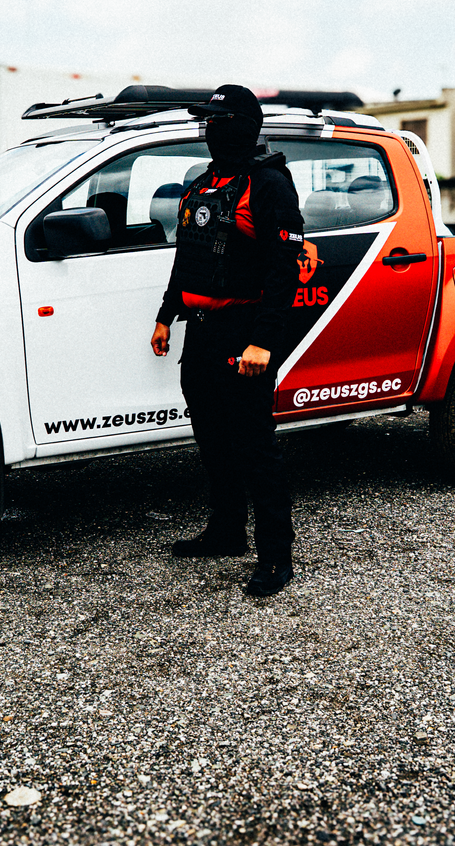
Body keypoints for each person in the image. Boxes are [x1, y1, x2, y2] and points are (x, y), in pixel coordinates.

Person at [150, 85, 305, 597]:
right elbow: (188, 256)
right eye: (206, 122)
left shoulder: (270, 185)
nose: (209, 130)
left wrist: (264, 342)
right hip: (200, 331)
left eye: (217, 121)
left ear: (241, 125)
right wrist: (166, 316)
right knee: (213, 439)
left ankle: (275, 556)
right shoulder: (203, 182)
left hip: (244, 332)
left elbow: (284, 271)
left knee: (254, 445)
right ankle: (226, 531)